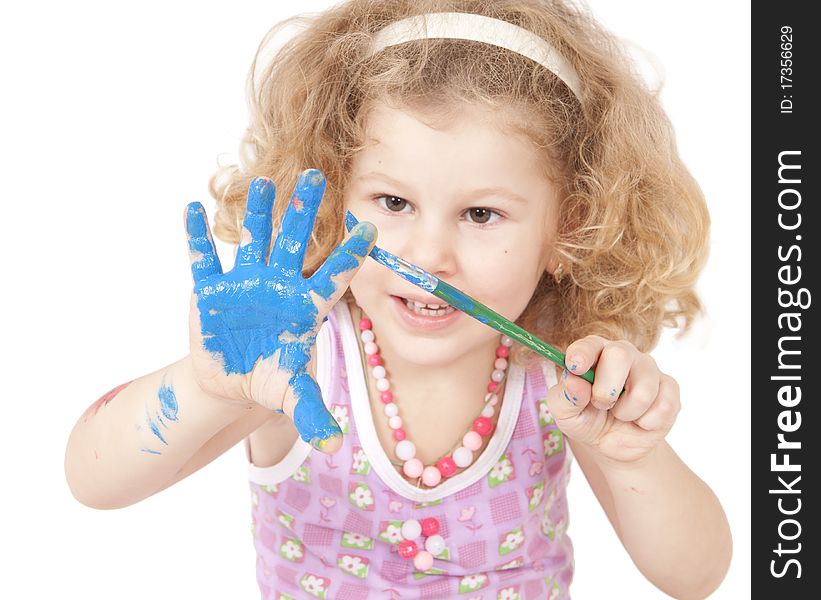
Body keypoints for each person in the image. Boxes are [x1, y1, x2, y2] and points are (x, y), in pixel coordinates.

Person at [65, 1, 732, 598]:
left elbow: (694, 575)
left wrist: (634, 453)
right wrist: (209, 387)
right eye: (392, 202)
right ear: (330, 196)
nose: (426, 256)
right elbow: (93, 483)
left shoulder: (563, 373)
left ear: (568, 227)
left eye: (480, 214)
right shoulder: (298, 358)